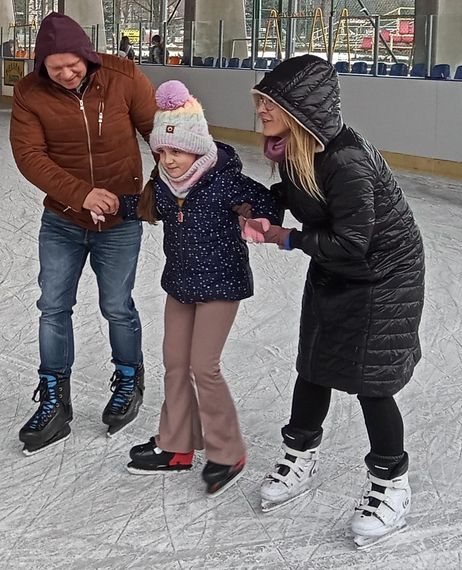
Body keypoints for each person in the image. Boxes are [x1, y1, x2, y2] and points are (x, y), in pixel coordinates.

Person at [247, 54, 425, 549]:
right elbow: (301, 192)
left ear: (301, 107)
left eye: (270, 101)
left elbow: (353, 241)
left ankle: (392, 484)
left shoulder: (345, 158)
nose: (260, 109)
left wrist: (284, 237)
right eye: (260, 99)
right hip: (338, 265)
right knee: (315, 363)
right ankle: (300, 454)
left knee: (370, 378)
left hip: (384, 273)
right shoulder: (298, 147)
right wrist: (253, 203)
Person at [122, 80, 282, 496]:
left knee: (203, 366)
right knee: (175, 362)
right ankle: (176, 446)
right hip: (180, 284)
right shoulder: (161, 186)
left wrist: (259, 221)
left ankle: (228, 452)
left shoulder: (224, 182)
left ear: (197, 148)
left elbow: (269, 204)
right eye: (161, 152)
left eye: (177, 151)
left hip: (221, 286)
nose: (169, 160)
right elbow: (141, 208)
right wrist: (105, 201)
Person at [9, 12, 158, 455]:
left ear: (87, 56)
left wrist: (155, 192)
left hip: (121, 220)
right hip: (62, 220)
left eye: (73, 64)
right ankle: (54, 398)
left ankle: (129, 377)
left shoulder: (123, 76)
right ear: (42, 66)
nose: (67, 73)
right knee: (53, 307)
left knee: (117, 306)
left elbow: (162, 133)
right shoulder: (28, 92)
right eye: (55, 68)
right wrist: (81, 195)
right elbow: (30, 156)